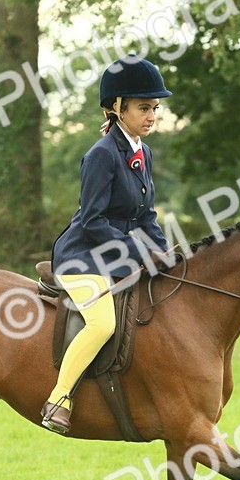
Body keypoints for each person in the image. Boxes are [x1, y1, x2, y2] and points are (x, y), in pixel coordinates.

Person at [41, 56, 173, 435]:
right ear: (116, 108)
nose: (151, 116)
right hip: (83, 256)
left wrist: (165, 253)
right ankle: (59, 399)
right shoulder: (100, 155)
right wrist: (137, 253)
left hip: (116, 255)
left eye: (154, 109)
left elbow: (145, 217)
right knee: (102, 324)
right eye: (144, 108)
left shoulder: (142, 152)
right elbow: (95, 220)